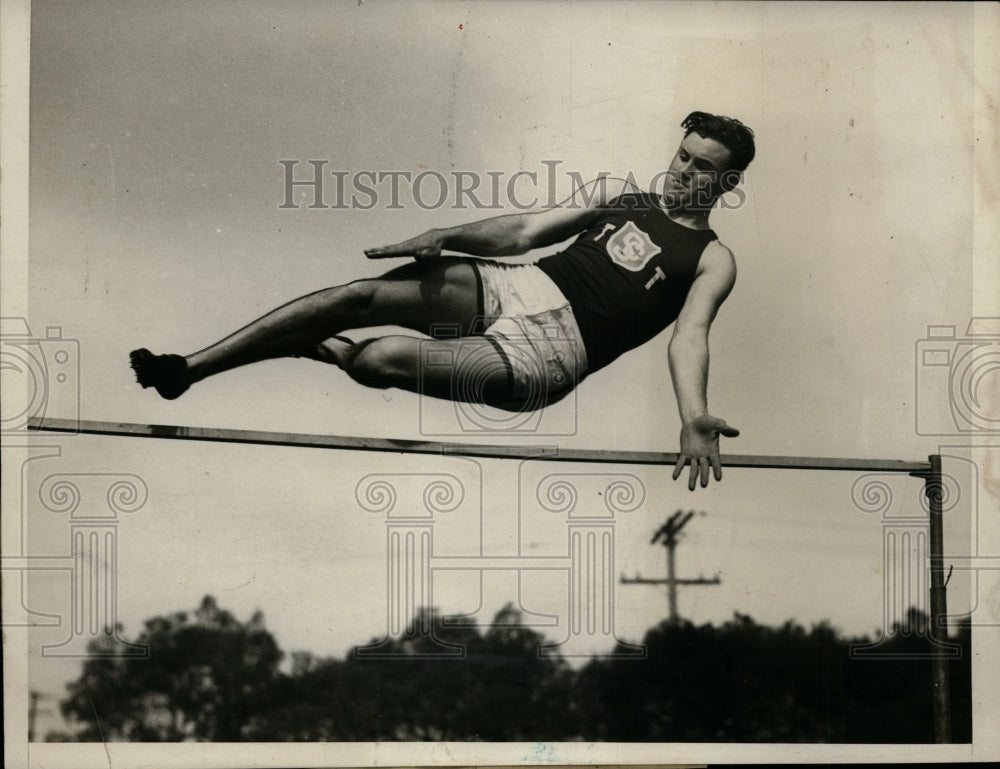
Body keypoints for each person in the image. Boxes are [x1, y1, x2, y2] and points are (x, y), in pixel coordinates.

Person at [131, 111, 755, 490]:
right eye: (682, 156)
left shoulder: (712, 259)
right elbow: (523, 233)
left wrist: (693, 415)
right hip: (522, 285)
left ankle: (322, 350)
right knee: (358, 295)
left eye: (703, 167)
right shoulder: (623, 194)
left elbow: (689, 337)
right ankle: (188, 370)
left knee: (376, 362)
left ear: (727, 181)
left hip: (553, 353)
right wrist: (447, 235)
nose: (682, 172)